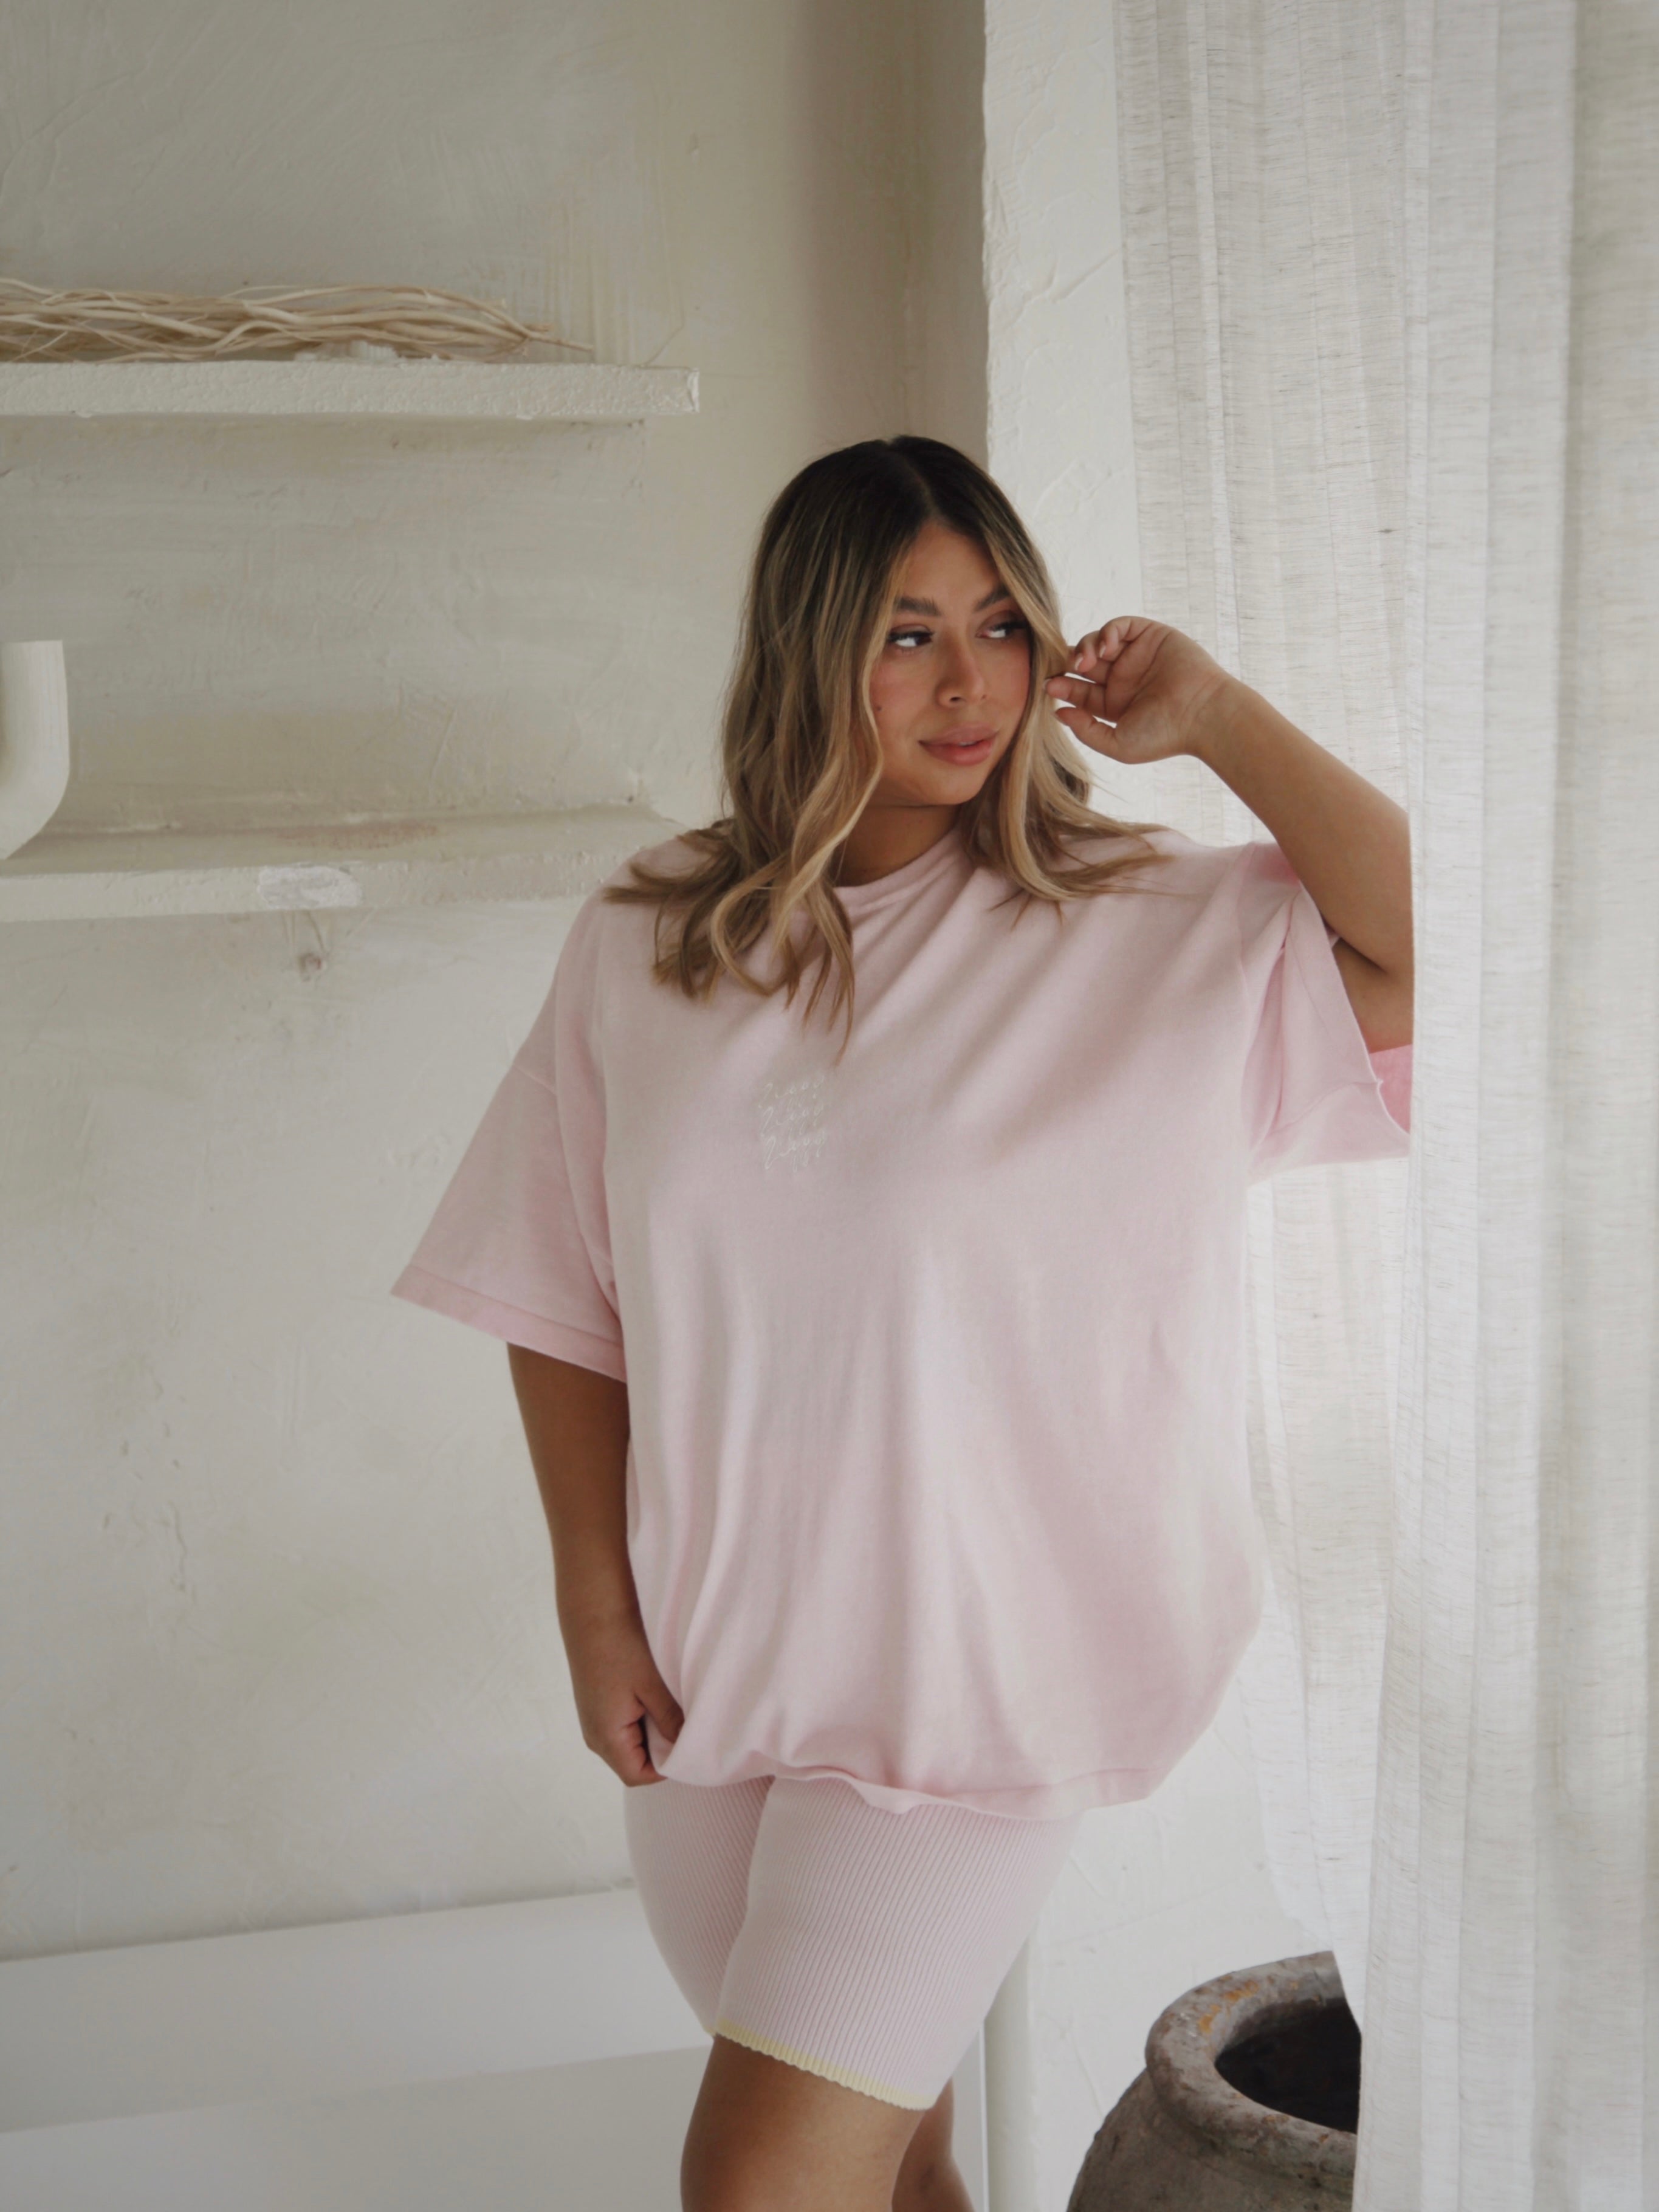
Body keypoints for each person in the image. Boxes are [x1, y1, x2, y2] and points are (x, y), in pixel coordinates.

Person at [391, 436, 1413, 2212]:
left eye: (1003, 626)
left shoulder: (1142, 921)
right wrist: (593, 1611)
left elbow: (1429, 942)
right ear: (807, 654)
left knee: (764, 2185)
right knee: (894, 2163)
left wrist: (1221, 714)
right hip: (719, 1666)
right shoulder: (651, 935)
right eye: (907, 633)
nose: (971, 682)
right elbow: (560, 1288)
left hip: (975, 1675)